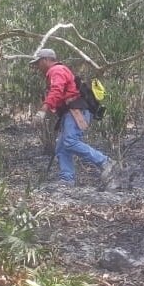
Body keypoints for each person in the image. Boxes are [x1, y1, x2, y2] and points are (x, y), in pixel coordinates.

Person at [31, 48, 115, 187]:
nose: (37, 66)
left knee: (70, 141)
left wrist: (43, 110)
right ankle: (67, 179)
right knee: (62, 147)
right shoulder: (58, 70)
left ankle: (105, 162)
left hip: (76, 111)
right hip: (70, 113)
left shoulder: (56, 70)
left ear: (45, 60)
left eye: (38, 62)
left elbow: (56, 90)